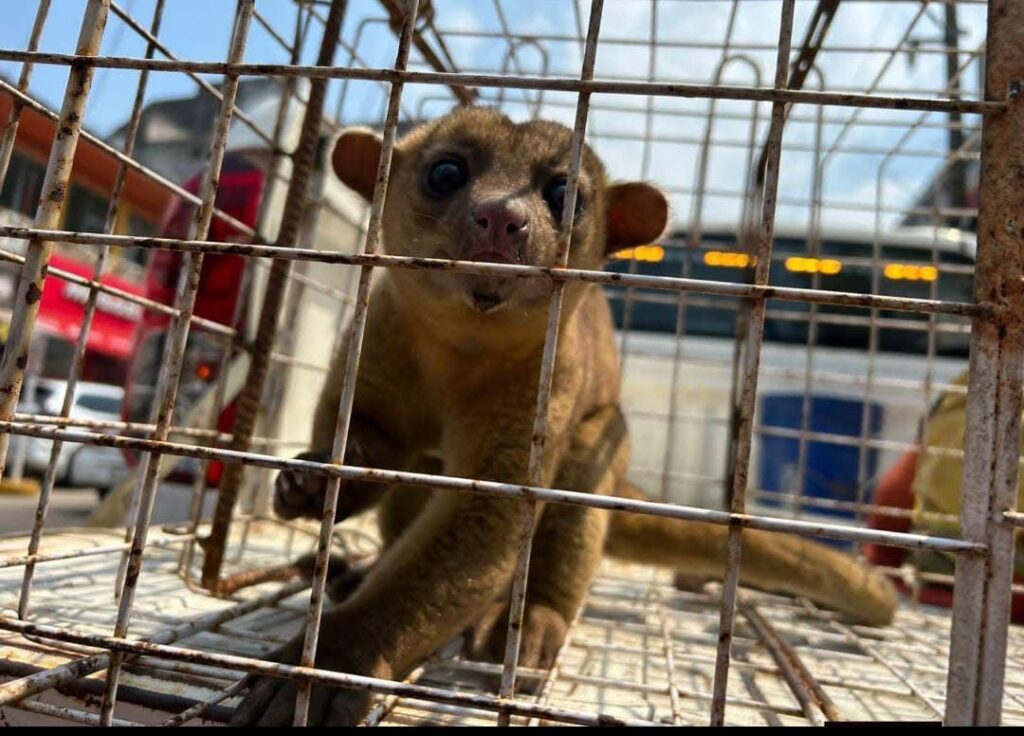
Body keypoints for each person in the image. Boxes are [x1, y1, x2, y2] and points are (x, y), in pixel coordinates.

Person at [865, 370, 1024, 621]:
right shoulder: (972, 383)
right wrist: (884, 573)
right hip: (938, 590)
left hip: (991, 604)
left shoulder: (973, 383)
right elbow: (902, 485)